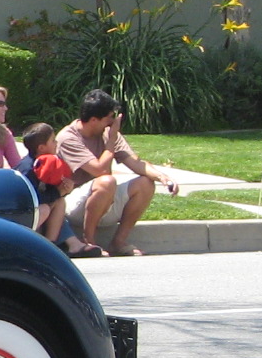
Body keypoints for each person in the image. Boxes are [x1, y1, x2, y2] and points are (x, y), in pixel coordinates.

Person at [55, 89, 176, 258]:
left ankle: (118, 242)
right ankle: (90, 242)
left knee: (145, 183)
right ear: (94, 120)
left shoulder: (108, 132)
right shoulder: (68, 137)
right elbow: (100, 170)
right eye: (110, 117)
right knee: (106, 181)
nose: (113, 122)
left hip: (105, 197)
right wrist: (111, 141)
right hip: (72, 204)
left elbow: (135, 162)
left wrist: (162, 177)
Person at [17, 122, 95, 257]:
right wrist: (58, 192)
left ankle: (50, 243)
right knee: (46, 208)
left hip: (38, 210)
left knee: (59, 202)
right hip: (21, 214)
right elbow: (30, 198)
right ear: (41, 148)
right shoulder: (28, 168)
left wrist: (64, 187)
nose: (56, 143)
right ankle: (26, 244)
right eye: (53, 141)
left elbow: (49, 193)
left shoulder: (49, 163)